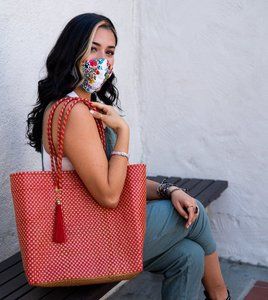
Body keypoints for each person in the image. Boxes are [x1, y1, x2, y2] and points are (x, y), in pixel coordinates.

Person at [26, 12, 231, 300]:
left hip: (99, 230)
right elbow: (110, 195)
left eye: (109, 52)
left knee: (189, 255)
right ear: (73, 53)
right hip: (85, 241)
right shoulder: (72, 112)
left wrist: (168, 190)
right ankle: (221, 296)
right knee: (195, 213)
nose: (103, 59)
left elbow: (116, 181)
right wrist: (123, 131)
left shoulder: (86, 106)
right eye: (93, 49)